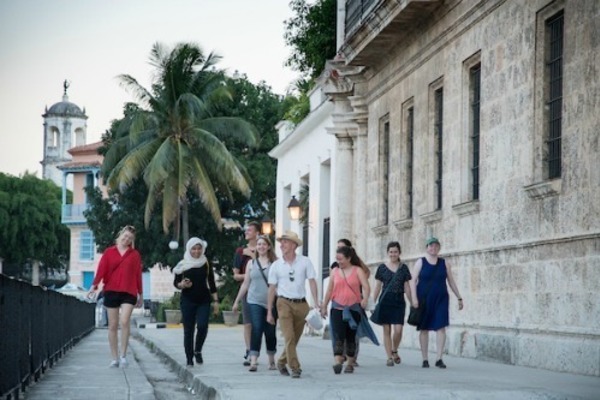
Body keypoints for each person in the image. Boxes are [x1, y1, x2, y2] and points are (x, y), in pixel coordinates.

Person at [86, 225, 143, 368]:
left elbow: (138, 275)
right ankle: (114, 357)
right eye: (125, 236)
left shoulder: (134, 255)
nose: (126, 239)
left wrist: (140, 294)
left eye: (129, 238)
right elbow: (101, 270)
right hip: (111, 291)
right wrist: (94, 286)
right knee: (112, 325)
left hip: (129, 292)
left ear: (132, 240)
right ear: (120, 235)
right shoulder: (109, 252)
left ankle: (123, 355)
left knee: (124, 321)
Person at [266, 230, 320, 379]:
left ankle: (282, 361)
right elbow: (271, 289)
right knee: (289, 336)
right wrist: (269, 311)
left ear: (294, 245)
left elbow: (312, 281)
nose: (282, 244)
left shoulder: (305, 261)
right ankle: (295, 368)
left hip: (301, 303)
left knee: (295, 338)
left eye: (285, 241)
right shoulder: (276, 265)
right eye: (281, 242)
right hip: (283, 303)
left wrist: (316, 302)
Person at [409, 237, 464, 369]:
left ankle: (439, 358)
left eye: (436, 246)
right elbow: (412, 281)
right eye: (431, 246)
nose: (433, 248)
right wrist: (414, 299)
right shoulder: (420, 262)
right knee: (424, 329)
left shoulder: (444, 263)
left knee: (441, 327)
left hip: (441, 299)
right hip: (424, 299)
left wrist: (459, 297)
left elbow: (451, 281)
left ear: (439, 248)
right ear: (427, 247)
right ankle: (425, 358)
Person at [321, 246, 371, 374]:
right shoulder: (335, 272)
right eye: (337, 259)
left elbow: (366, 286)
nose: (339, 261)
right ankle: (338, 362)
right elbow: (329, 290)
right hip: (337, 308)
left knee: (350, 336)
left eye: (341, 259)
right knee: (338, 335)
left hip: (354, 308)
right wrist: (324, 305)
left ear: (348, 258)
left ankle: (350, 363)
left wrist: (365, 299)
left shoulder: (357, 270)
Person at [232, 235, 278, 372]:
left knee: (270, 332)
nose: (261, 247)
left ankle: (271, 360)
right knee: (256, 328)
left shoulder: (275, 264)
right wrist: (236, 301)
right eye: (259, 245)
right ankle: (253, 360)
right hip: (254, 301)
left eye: (264, 244)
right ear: (256, 247)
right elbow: (246, 284)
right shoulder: (251, 264)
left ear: (269, 246)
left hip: (271, 303)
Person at [173, 237, 219, 366]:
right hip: (188, 300)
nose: (197, 251)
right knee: (189, 330)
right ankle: (189, 358)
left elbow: (211, 282)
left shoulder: (206, 263)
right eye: (194, 248)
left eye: (199, 248)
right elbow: (176, 283)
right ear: (189, 249)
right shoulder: (182, 264)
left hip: (203, 300)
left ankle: (197, 350)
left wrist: (215, 301)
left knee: (203, 326)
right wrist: (182, 284)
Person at [372, 241, 412, 367]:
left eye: (395, 252)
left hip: (399, 300)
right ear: (388, 253)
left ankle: (394, 349)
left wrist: (412, 302)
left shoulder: (403, 268)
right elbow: (378, 286)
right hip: (385, 300)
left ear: (399, 253)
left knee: (398, 330)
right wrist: (373, 302)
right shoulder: (382, 268)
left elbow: (407, 287)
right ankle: (389, 357)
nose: (393, 254)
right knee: (387, 329)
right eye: (391, 252)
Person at [233, 221, 261, 366]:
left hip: (262, 290)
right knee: (248, 323)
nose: (247, 232)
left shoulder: (264, 249)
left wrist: (254, 256)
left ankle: (257, 350)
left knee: (260, 324)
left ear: (257, 233)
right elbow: (236, 275)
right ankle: (249, 350)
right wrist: (249, 275)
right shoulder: (240, 252)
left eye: (250, 230)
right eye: (246, 230)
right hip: (247, 290)